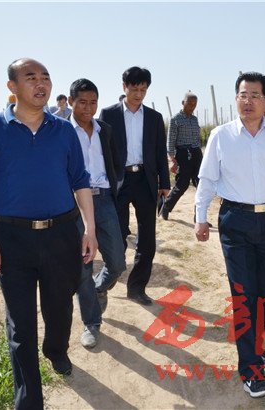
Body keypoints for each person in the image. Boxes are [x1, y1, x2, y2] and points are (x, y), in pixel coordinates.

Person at [0, 58, 98, 409]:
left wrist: (89, 229)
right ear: (12, 87)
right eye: (31, 78)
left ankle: (56, 350)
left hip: (61, 235)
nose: (41, 83)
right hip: (13, 239)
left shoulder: (63, 131)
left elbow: (80, 180)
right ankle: (28, 401)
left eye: (45, 77)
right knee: (21, 325)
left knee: (59, 310)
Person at [195, 72, 265, 398]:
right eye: (243, 95)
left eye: (255, 96)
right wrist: (200, 217)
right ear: (236, 99)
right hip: (235, 222)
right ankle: (251, 369)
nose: (248, 101)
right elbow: (207, 179)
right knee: (244, 295)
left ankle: (254, 344)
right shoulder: (221, 136)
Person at [99, 66, 169, 306]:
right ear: (124, 87)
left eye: (143, 90)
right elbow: (102, 151)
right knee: (116, 236)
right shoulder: (109, 114)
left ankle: (137, 288)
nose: (139, 94)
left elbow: (159, 152)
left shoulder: (154, 118)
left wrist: (164, 183)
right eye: (134, 89)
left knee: (147, 239)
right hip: (119, 182)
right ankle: (105, 281)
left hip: (145, 181)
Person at [67, 78, 127, 348]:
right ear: (71, 102)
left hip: (103, 200)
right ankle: (91, 322)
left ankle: (98, 288)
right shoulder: (61, 131)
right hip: (73, 204)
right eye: (82, 102)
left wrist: (115, 186)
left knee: (117, 262)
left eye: (93, 102)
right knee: (83, 266)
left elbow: (116, 161)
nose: (88, 108)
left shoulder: (105, 130)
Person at [160, 91, 202, 221]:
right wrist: (171, 159)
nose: (192, 106)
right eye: (190, 103)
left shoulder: (195, 120)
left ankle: (199, 216)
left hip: (196, 154)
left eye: (194, 104)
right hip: (183, 154)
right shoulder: (176, 119)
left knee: (201, 185)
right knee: (182, 184)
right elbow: (170, 141)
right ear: (183, 103)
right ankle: (166, 206)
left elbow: (197, 139)